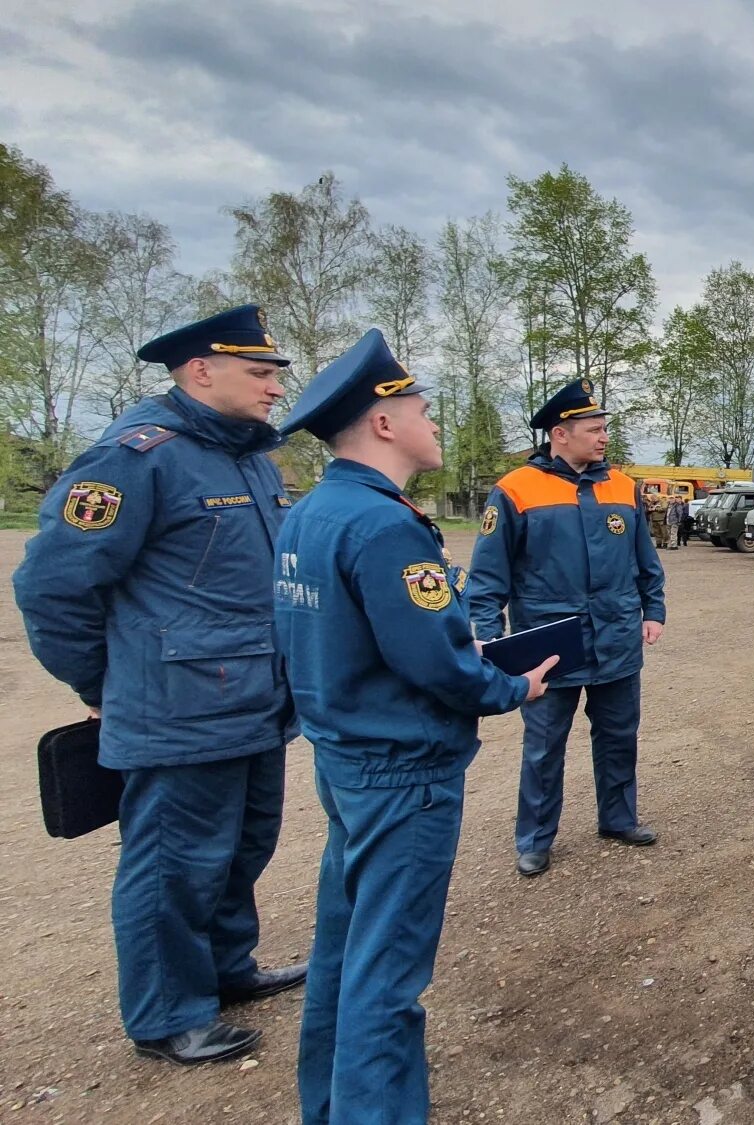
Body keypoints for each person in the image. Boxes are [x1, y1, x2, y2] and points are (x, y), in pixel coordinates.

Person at [273, 329, 557, 1124]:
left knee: (343, 954)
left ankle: (329, 1106)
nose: (435, 423)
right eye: (423, 409)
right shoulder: (386, 526)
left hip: (347, 757)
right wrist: (509, 686)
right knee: (388, 976)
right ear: (386, 422)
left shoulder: (311, 513)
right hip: (402, 769)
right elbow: (435, 659)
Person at [14, 304, 304, 1066]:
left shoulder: (248, 457)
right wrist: (101, 683)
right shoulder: (134, 458)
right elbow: (53, 584)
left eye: (275, 374)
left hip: (255, 700)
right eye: (260, 372)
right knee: (174, 863)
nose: (276, 388)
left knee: (244, 846)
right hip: (176, 709)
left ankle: (225, 971)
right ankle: (167, 1012)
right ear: (201, 370)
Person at [466, 378, 666, 878]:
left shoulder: (621, 486)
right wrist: (486, 639)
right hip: (548, 646)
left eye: (604, 429)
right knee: (543, 745)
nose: (603, 438)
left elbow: (646, 560)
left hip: (617, 638)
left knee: (620, 735)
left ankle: (618, 819)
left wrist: (653, 608)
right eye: (594, 429)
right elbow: (488, 578)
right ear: (561, 433)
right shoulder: (515, 489)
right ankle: (534, 839)